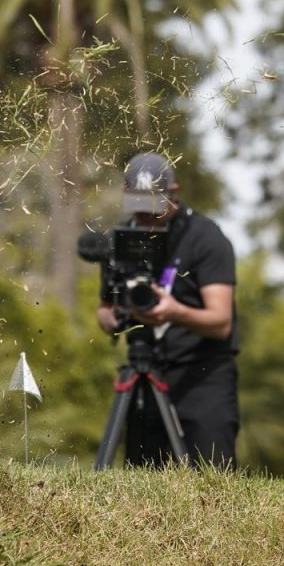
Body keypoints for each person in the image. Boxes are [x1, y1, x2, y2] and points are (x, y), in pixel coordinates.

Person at [94, 152, 239, 469]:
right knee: (144, 482)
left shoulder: (205, 237)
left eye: (154, 209)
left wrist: (174, 312)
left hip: (202, 375)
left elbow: (221, 322)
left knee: (212, 478)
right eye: (138, 208)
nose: (146, 218)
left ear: (173, 192)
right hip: (144, 370)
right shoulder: (122, 239)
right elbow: (105, 310)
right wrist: (114, 319)